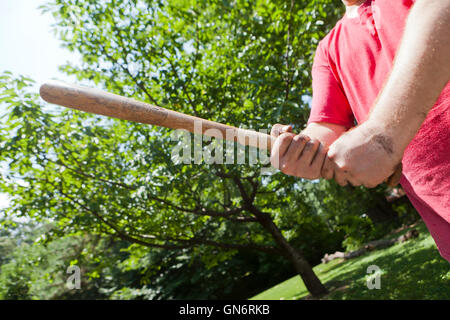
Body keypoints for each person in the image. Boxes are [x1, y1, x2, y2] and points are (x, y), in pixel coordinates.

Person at [270, 0, 450, 261]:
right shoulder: (328, 50)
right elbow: (324, 128)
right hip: (440, 206)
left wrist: (383, 133)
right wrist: (301, 149)